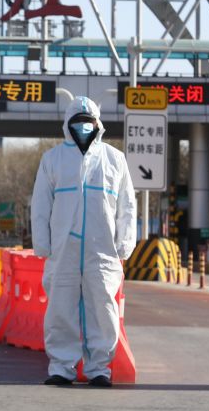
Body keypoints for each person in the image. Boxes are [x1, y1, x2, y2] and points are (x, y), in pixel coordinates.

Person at [31, 96, 136, 388]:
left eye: (88, 122)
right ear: (68, 124)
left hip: (102, 249)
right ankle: (61, 367)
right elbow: (40, 205)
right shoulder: (53, 159)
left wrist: (125, 242)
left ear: (98, 124)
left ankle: (99, 369)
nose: (83, 127)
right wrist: (42, 243)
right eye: (78, 122)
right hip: (63, 248)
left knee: (102, 309)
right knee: (60, 309)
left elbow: (127, 205)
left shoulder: (114, 159)